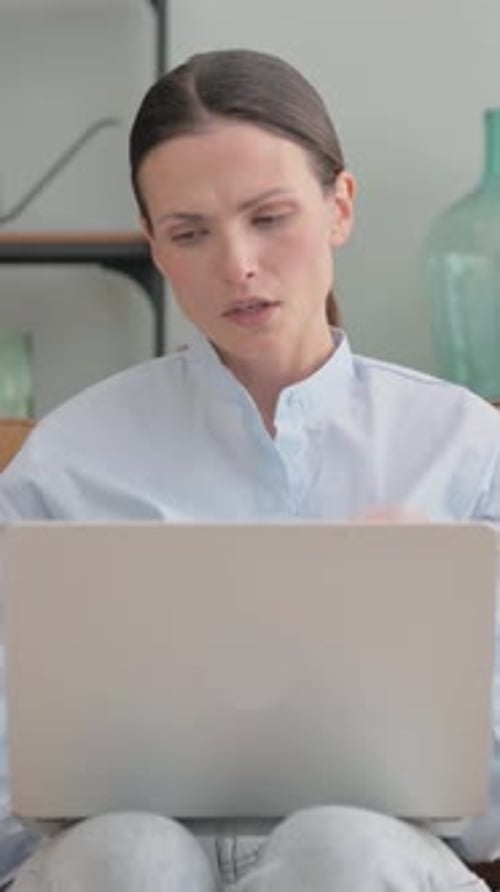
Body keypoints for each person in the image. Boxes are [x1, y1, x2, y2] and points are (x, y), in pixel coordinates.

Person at [0, 47, 499, 891]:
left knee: (345, 848)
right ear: (155, 247)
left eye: (269, 217)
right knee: (127, 854)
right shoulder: (69, 460)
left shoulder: (463, 447)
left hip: (375, 859)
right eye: (189, 233)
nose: (236, 264)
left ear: (340, 206)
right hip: (114, 856)